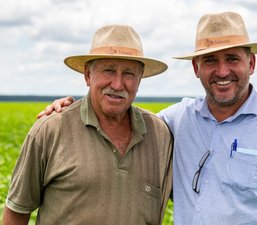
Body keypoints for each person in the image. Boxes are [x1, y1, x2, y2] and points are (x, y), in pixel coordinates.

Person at [37, 12, 257, 225]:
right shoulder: (174, 121)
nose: (222, 71)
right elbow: (119, 120)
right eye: (210, 61)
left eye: (232, 59)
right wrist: (67, 110)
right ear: (196, 68)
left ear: (251, 64)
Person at [3, 24, 173, 225]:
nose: (118, 84)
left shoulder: (159, 134)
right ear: (87, 75)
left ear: (140, 78)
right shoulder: (50, 130)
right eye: (108, 71)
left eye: (129, 73)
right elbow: (16, 214)